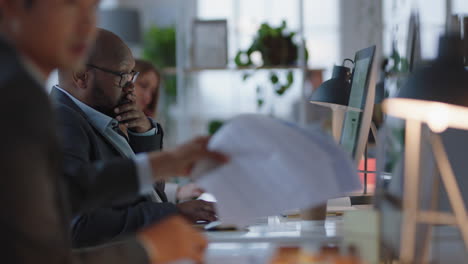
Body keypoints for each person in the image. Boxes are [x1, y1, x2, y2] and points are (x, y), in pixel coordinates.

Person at [0, 1, 227, 263]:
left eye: (93, 7)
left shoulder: (24, 87)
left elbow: (67, 191)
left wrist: (166, 162)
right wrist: (150, 246)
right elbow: (48, 243)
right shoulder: (14, 96)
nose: (87, 23)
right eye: (72, 5)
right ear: (13, 6)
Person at [52, 29, 217, 247]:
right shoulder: (61, 123)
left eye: (132, 76)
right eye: (123, 76)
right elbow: (78, 225)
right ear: (81, 75)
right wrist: (172, 213)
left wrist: (143, 131)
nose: (130, 87)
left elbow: (151, 191)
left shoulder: (100, 117)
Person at [134, 59, 205, 203]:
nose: (148, 97)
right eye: (143, 86)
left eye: (153, 92)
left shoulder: (148, 128)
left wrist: (179, 192)